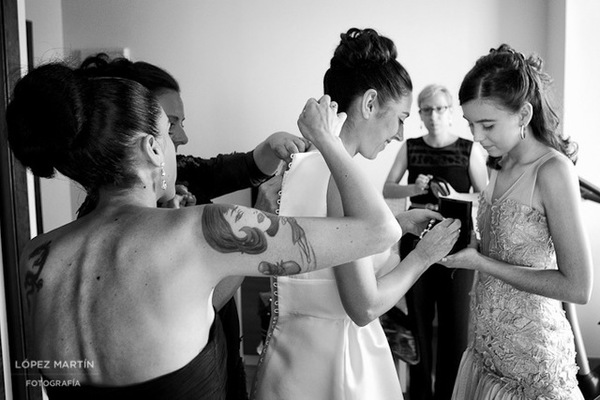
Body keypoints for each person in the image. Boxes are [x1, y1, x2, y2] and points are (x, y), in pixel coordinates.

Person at [6, 60, 411, 399]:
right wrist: (326, 139)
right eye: (168, 132)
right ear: (151, 149)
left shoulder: (36, 257)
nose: (178, 142)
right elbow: (378, 229)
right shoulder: (201, 230)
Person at [76, 54, 308, 399]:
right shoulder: (111, 226)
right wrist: (259, 219)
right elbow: (203, 304)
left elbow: (238, 167)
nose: (182, 136)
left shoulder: (175, 178)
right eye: (171, 124)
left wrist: (274, 144)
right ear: (140, 129)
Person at [251, 28, 462, 400]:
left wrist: (398, 223)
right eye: (399, 117)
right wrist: (424, 256)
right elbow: (365, 306)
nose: (399, 134)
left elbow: (325, 242)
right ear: (369, 104)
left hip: (293, 357)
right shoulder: (343, 181)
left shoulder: (301, 166)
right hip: (339, 363)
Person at [442, 44, 593, 399]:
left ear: (523, 114)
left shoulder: (553, 171)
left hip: (529, 356)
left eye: (487, 125)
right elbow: (498, 243)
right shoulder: (500, 163)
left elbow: (578, 288)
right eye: (471, 124)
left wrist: (481, 263)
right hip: (485, 346)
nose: (476, 137)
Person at [382, 84, 488, 400]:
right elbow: (387, 189)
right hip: (416, 246)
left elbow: (486, 196)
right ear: (420, 115)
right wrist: (413, 189)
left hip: (459, 248)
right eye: (426, 109)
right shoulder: (410, 147)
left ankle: (447, 395)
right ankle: (419, 396)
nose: (433, 115)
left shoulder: (469, 149)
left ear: (450, 112)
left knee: (455, 331)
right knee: (418, 328)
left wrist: (453, 196)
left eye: (440, 108)